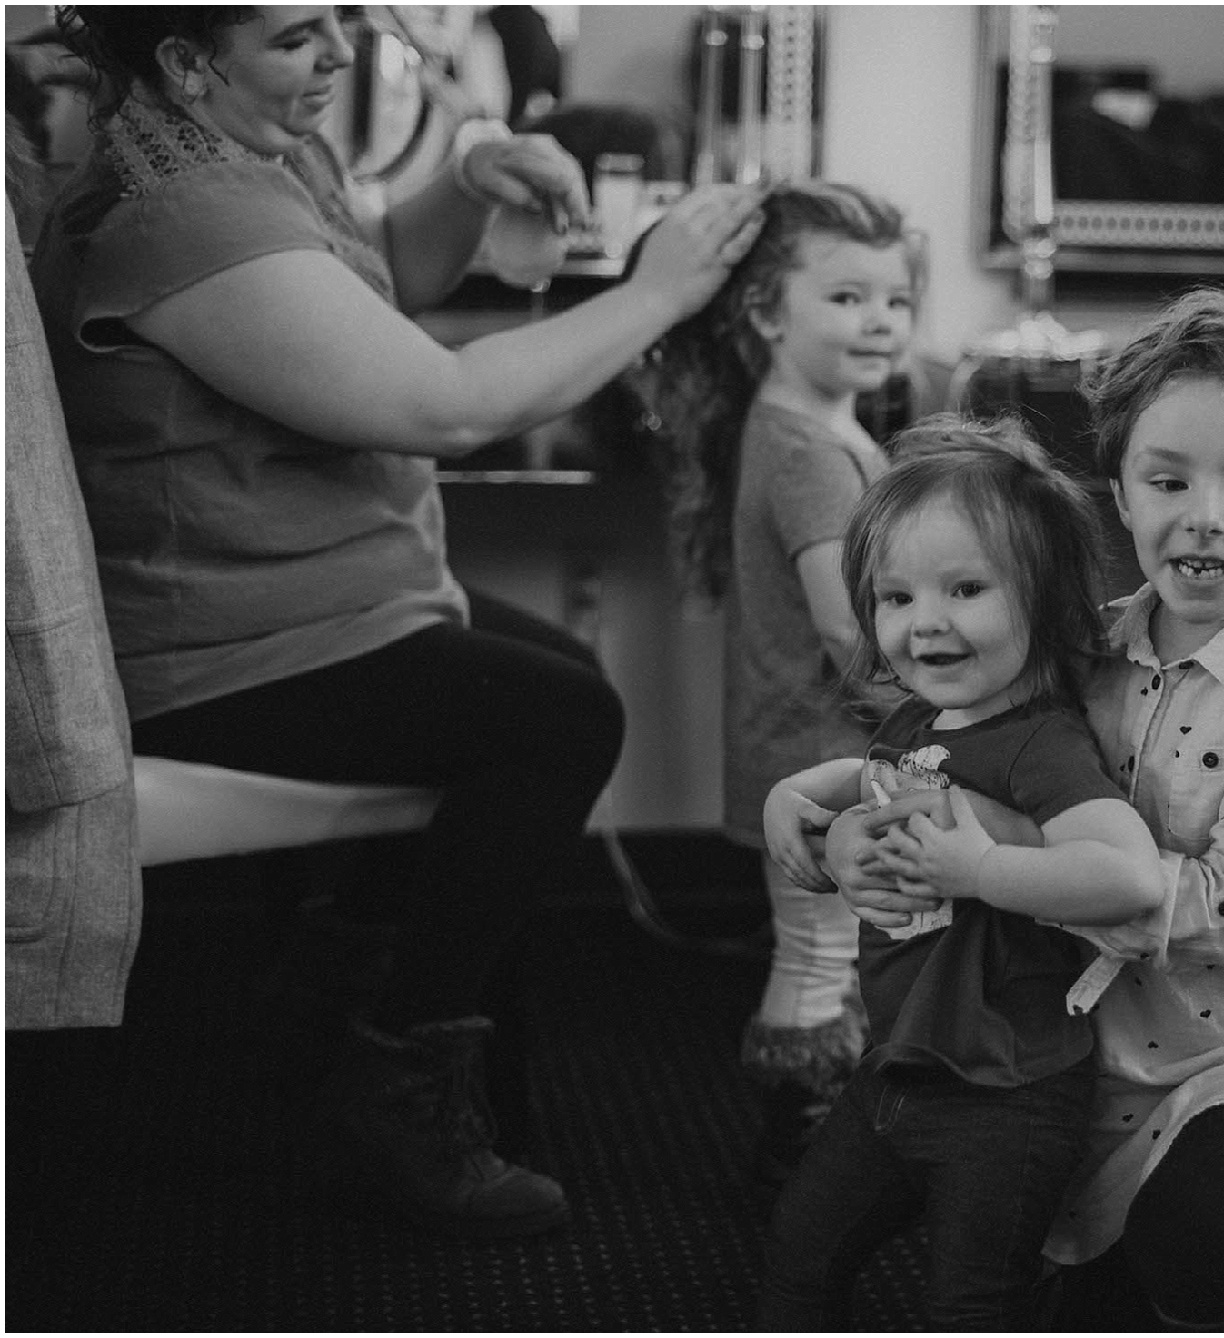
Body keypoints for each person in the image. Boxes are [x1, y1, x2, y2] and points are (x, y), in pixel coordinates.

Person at [31, 6, 764, 1239]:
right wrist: (662, 291)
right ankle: (398, 1083)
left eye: (338, 26)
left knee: (551, 681)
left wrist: (466, 180)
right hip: (213, 642)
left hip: (328, 596)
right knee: (555, 719)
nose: (336, 58)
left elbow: (370, 276)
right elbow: (445, 403)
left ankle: (327, 1023)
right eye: (295, 38)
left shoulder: (248, 142)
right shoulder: (174, 216)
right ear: (184, 61)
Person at [833, 288, 1224, 1329]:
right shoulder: (1079, 645)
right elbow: (938, 752)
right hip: (1085, 1054)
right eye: (1166, 480)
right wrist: (833, 826)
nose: (1202, 515)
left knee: (1190, 1234)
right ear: (1121, 495)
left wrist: (993, 859)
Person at [754, 420, 1164, 1328]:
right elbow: (872, 775)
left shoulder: (1041, 749)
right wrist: (797, 793)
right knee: (797, 1253)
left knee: (972, 1306)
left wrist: (982, 868)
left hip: (1008, 1099)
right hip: (897, 1071)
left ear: (1046, 602)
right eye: (894, 597)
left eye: (966, 589)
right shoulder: (924, 722)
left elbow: (1129, 878)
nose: (923, 621)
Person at [635, 179, 919, 1185]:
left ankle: (813, 1150)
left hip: (800, 750)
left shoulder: (799, 421)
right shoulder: (808, 450)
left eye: (895, 298)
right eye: (845, 297)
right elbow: (847, 620)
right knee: (820, 955)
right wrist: (937, 717)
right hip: (825, 755)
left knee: (824, 951)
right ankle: (800, 1157)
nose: (879, 319)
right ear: (765, 312)